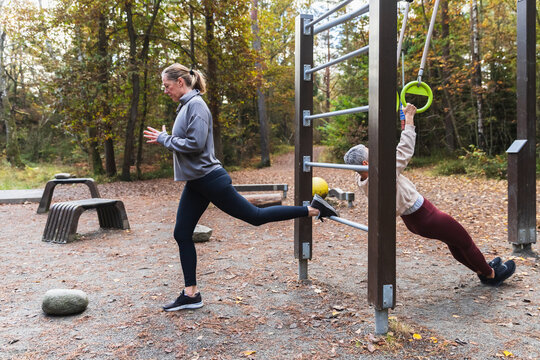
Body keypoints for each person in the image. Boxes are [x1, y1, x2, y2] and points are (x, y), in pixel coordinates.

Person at [143, 63, 338, 312]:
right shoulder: (185, 106)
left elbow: (195, 143)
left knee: (255, 217)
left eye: (167, 86)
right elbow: (186, 142)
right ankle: (191, 294)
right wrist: (167, 139)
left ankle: (312, 210)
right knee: (182, 233)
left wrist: (165, 139)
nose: (165, 90)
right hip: (197, 182)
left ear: (181, 82)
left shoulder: (197, 106)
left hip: (209, 179)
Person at [343, 103, 515, 287]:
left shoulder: (362, 178)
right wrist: (409, 119)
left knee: (454, 242)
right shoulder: (382, 174)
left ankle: (481, 269)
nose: (376, 154)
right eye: (372, 153)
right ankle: (491, 275)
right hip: (426, 216)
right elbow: (404, 150)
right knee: (464, 241)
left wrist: (402, 122)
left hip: (414, 221)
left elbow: (388, 152)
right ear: (366, 162)